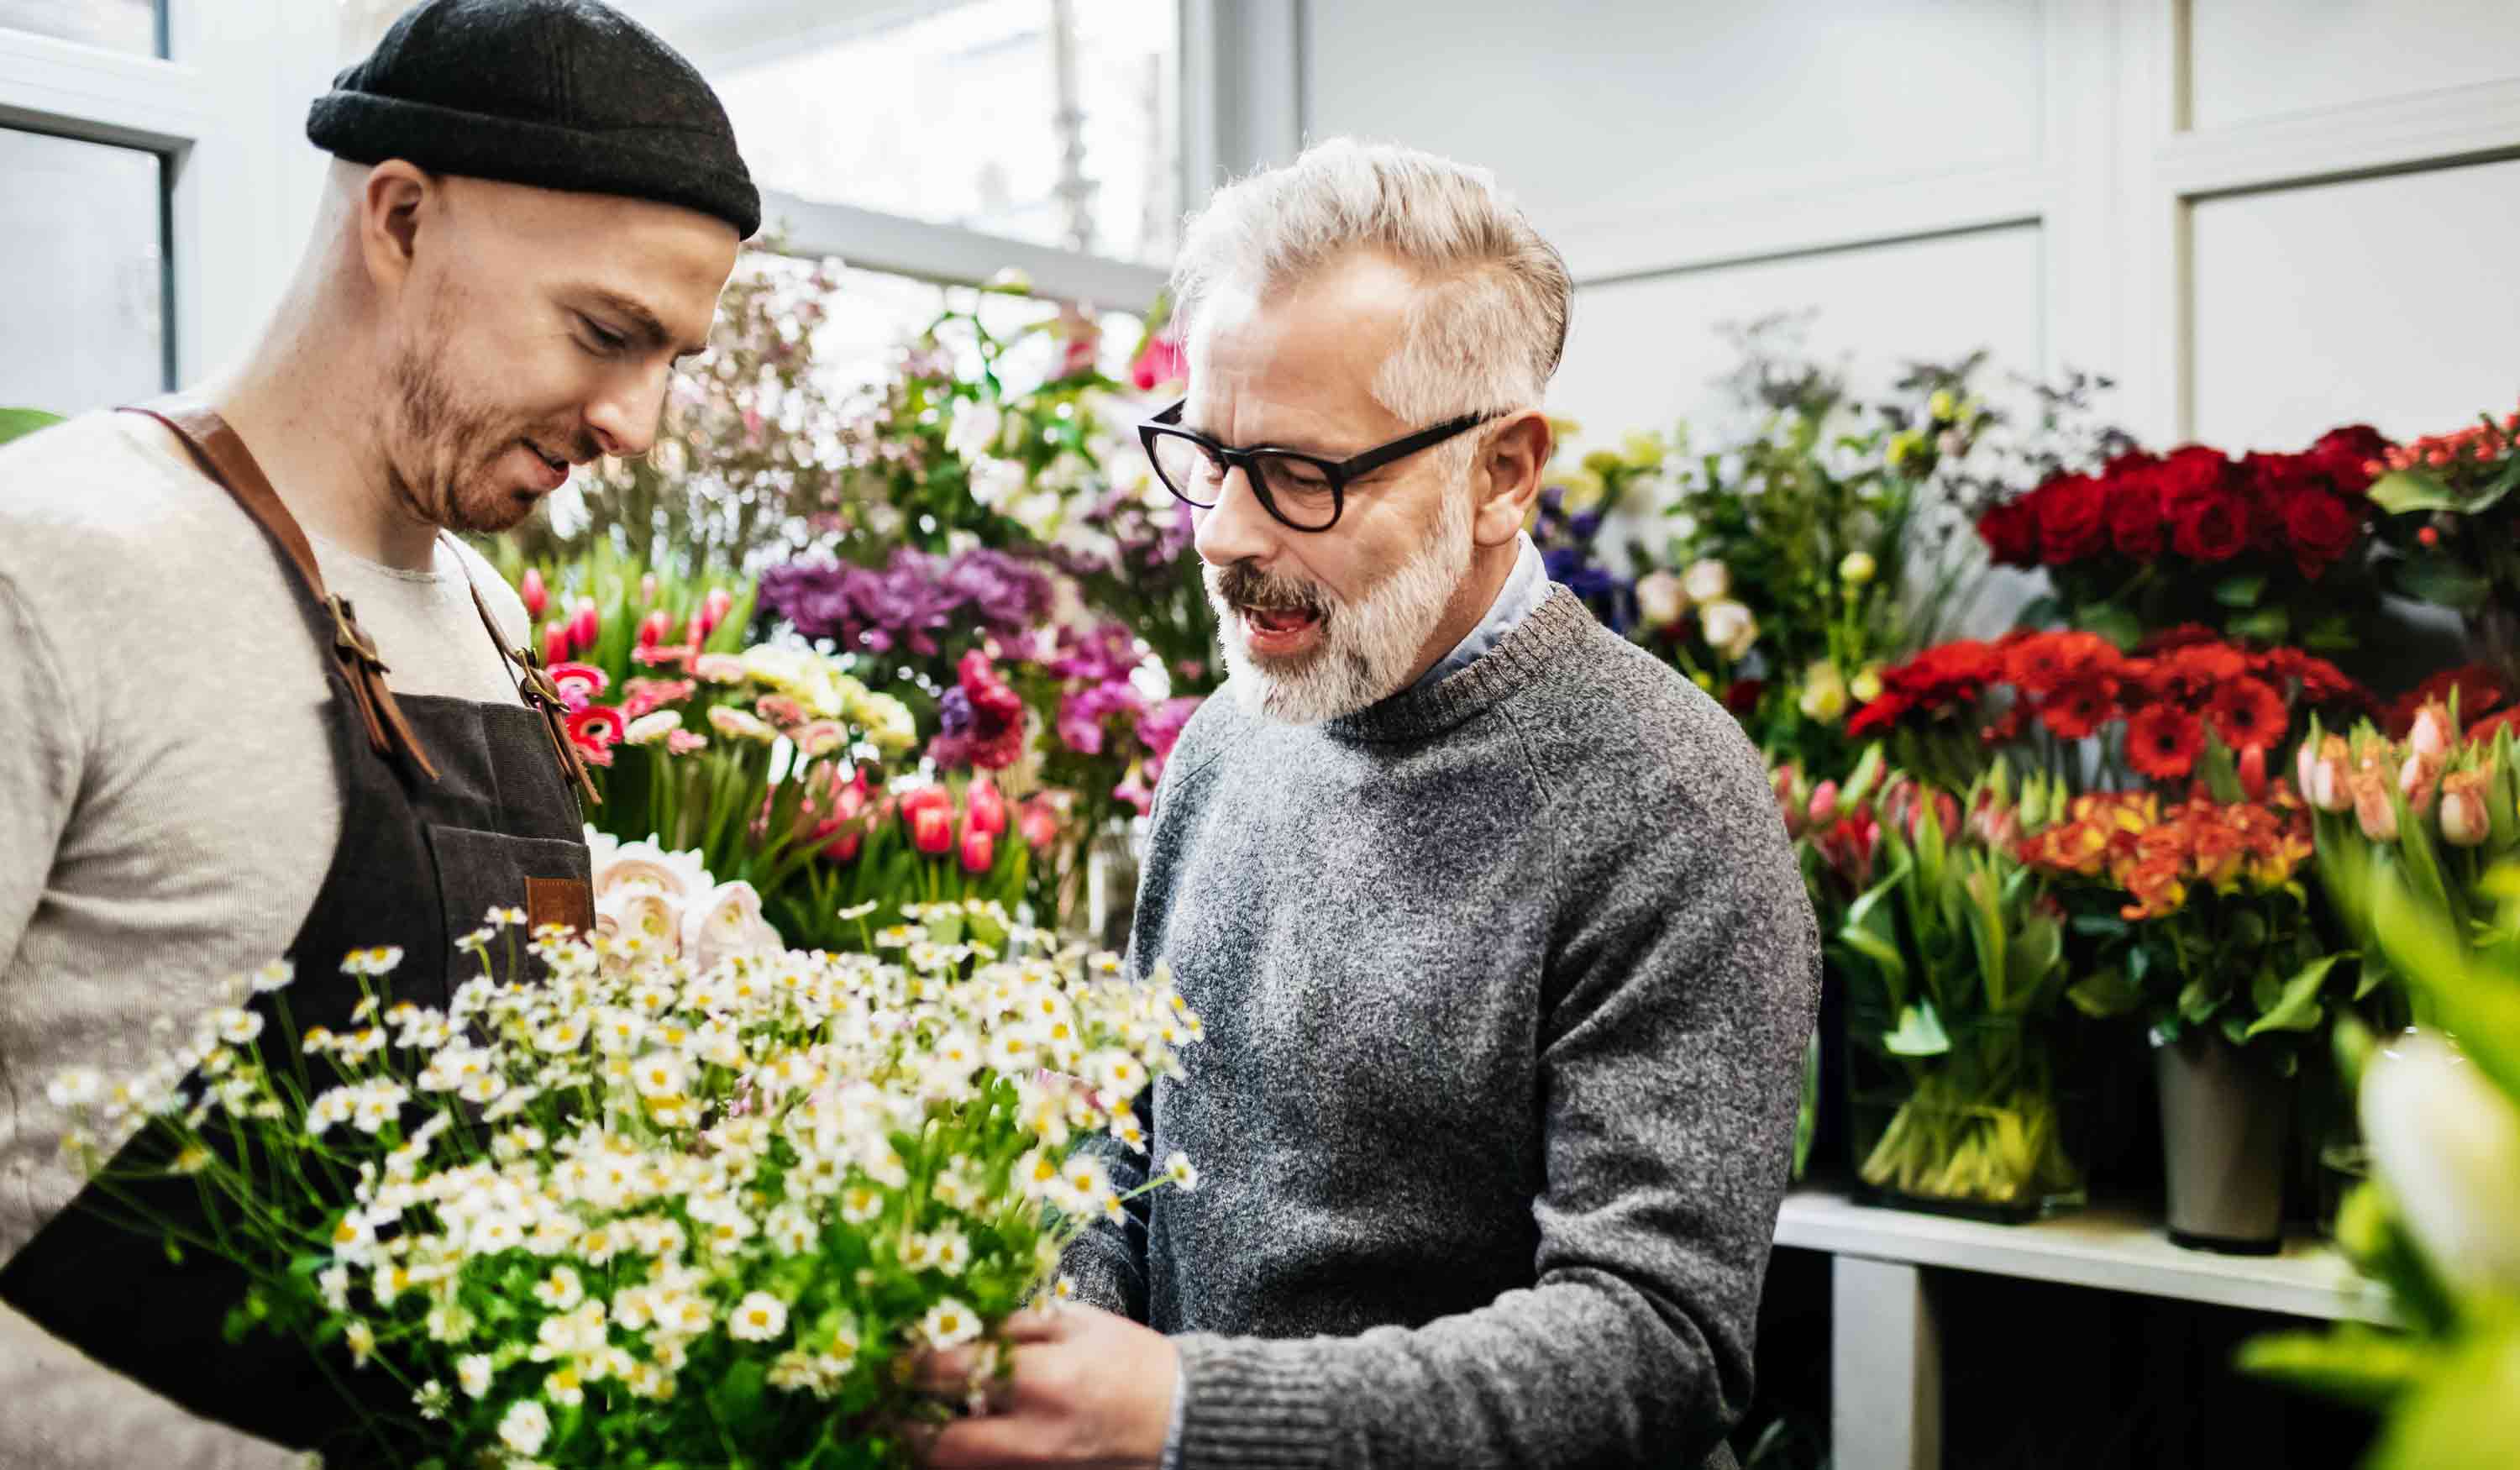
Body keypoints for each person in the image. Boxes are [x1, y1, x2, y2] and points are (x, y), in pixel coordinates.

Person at [919, 140, 1820, 1470]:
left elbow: (1654, 1342)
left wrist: (1180, 1414)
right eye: (1208, 454)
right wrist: (1061, 1353)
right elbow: (1124, 1148)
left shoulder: (1666, 797)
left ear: (1504, 473)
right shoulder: (1226, 742)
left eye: (1298, 472)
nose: (1224, 532)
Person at [0, 2, 753, 1463]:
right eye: (608, 332)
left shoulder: (484, 615)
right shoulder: (54, 568)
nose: (638, 425)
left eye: (676, 360)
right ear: (399, 216)